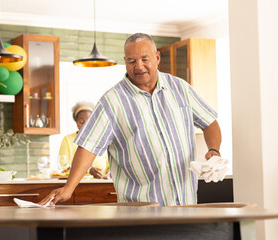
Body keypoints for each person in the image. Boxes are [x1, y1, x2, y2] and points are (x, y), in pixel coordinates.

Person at [40, 33, 221, 206]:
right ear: (125, 62)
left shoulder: (180, 88)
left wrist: (214, 149)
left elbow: (210, 122)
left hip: (186, 206)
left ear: (157, 58)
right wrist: (68, 188)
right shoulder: (112, 101)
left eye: (145, 59)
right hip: (142, 211)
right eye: (131, 61)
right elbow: (88, 145)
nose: (139, 66)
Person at [58, 102, 110, 179]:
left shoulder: (102, 139)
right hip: (79, 184)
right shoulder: (68, 140)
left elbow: (110, 164)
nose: (85, 125)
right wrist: (87, 170)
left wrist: (109, 173)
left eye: (89, 121)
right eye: (81, 122)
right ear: (76, 122)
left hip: (101, 183)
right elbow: (64, 166)